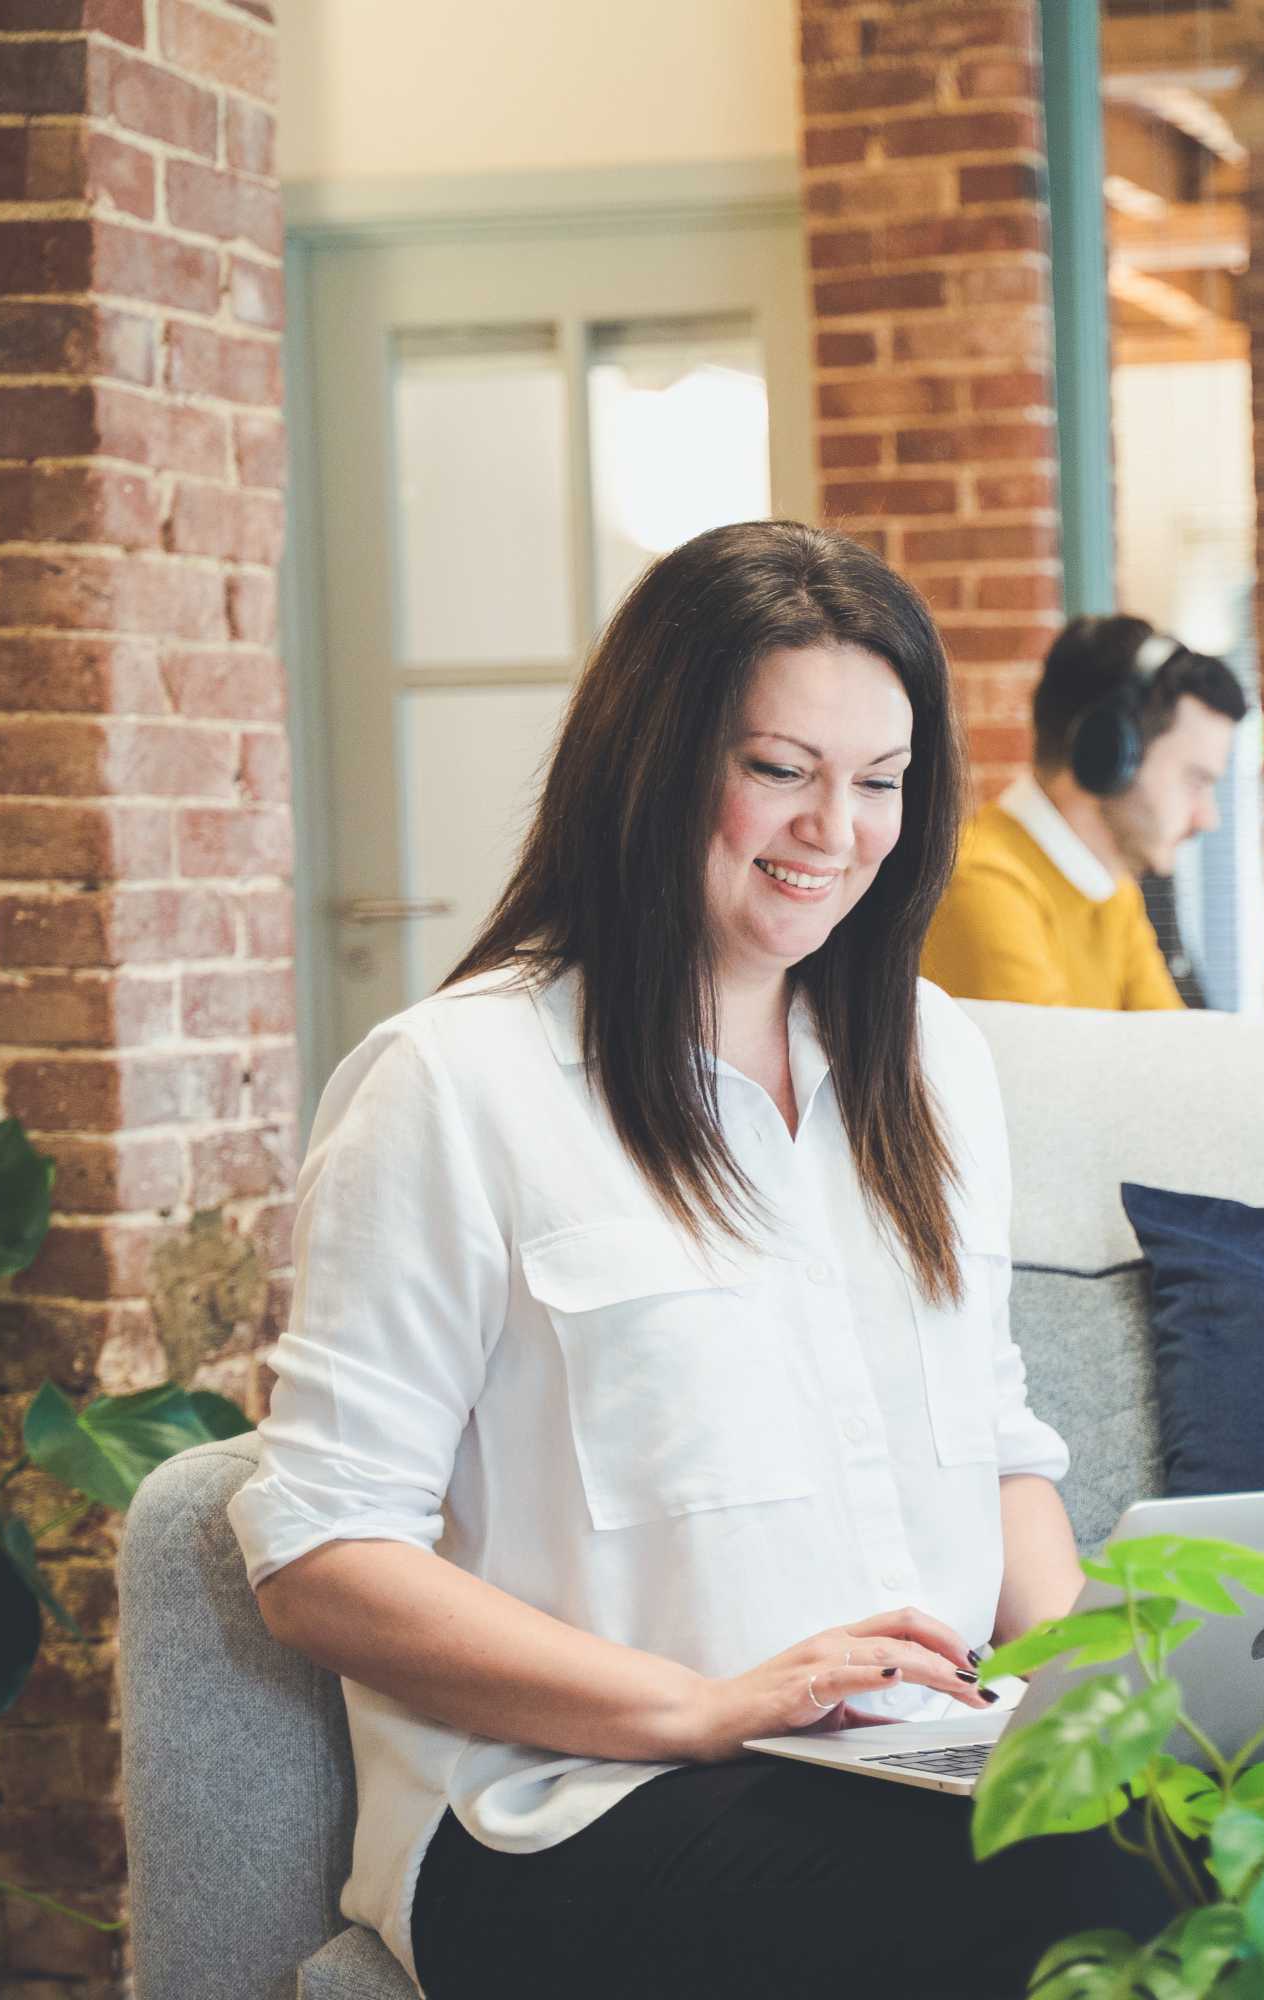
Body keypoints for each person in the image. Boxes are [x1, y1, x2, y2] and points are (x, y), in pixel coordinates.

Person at [230, 524, 1172, 1997]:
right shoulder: (457, 1083)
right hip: (572, 1805)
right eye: (781, 770)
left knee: (1223, 1836)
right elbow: (319, 1556)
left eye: (879, 783)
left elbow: (996, 1441)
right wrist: (704, 1708)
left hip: (913, 1765)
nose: (835, 830)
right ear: (653, 761)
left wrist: (1079, 1683)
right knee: (1060, 1887)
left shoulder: (932, 1063)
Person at [920, 614, 1246, 1009]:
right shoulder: (982, 884)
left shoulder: (1110, 886)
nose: (1207, 817)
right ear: (1108, 755)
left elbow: (1175, 1050)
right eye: (1195, 781)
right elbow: (1055, 1071)